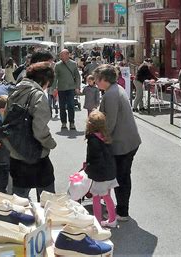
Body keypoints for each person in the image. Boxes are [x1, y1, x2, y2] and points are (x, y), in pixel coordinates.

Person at [93, 64, 142, 221]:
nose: (95, 82)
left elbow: (110, 123)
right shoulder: (114, 89)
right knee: (123, 175)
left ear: (104, 79)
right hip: (128, 140)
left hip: (123, 143)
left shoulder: (111, 94)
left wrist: (100, 140)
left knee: (121, 177)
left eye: (96, 79)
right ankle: (122, 208)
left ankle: (122, 211)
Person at [5, 62, 57, 201]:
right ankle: (46, 222)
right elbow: (39, 128)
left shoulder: (16, 90)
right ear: (44, 81)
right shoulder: (38, 95)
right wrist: (50, 143)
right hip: (36, 153)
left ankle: (17, 221)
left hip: (15, 151)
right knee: (48, 199)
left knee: (19, 199)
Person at [84, 110, 118, 228]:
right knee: (107, 196)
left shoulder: (93, 140)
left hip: (99, 174)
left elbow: (93, 159)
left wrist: (87, 169)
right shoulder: (106, 136)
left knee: (96, 197)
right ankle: (112, 219)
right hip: (110, 172)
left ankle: (97, 223)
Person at [53, 49, 81, 130]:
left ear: (68, 55)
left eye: (62, 55)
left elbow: (77, 76)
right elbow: (55, 77)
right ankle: (63, 123)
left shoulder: (73, 64)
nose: (61, 56)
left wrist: (77, 87)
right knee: (62, 106)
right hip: (61, 88)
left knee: (71, 106)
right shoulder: (58, 65)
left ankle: (72, 122)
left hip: (71, 88)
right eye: (60, 55)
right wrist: (54, 88)